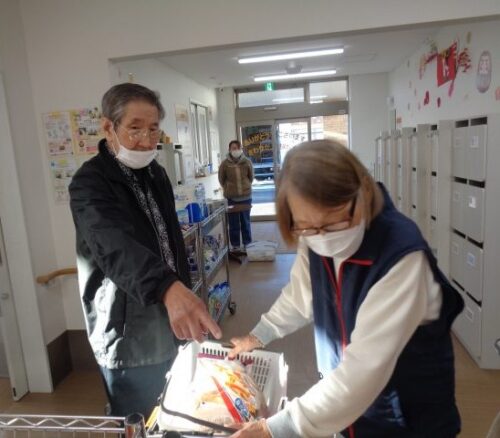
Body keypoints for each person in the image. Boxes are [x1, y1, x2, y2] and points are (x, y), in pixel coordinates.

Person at [229, 139, 464, 438]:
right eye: (306, 226)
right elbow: (300, 296)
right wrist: (258, 335)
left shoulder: (401, 258)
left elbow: (361, 373)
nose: (322, 237)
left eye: (334, 223)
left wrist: (273, 429)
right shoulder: (313, 236)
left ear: (363, 191)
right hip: (351, 411)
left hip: (404, 419)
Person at [69, 83, 221, 418]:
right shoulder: (89, 183)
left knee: (177, 411)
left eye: (153, 129)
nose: (147, 140)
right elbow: (115, 247)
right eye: (135, 129)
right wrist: (167, 287)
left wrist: (182, 287)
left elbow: (170, 241)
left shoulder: (156, 173)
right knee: (140, 419)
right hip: (127, 331)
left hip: (169, 316)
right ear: (108, 127)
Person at [218, 140, 253, 250]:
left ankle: (247, 243)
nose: (236, 150)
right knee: (233, 224)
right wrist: (229, 188)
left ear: (241, 149)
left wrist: (244, 187)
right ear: (229, 150)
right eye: (233, 148)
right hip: (231, 199)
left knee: (245, 222)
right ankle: (236, 245)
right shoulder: (225, 164)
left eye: (238, 148)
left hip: (246, 198)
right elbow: (221, 179)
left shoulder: (247, 161)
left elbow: (251, 177)